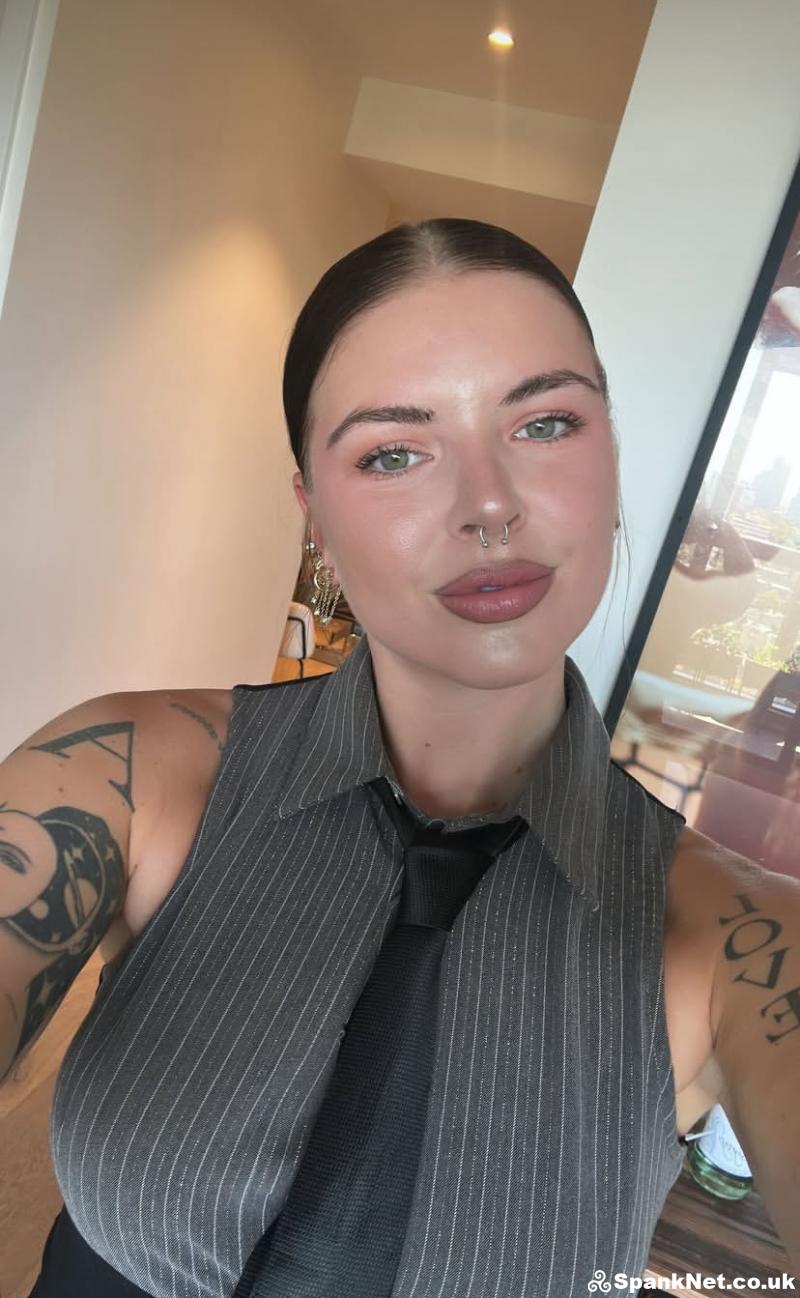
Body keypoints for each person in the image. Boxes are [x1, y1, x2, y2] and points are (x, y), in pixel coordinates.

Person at [2, 218, 798, 1297]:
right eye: (391, 451)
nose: (488, 505)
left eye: (545, 422)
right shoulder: (129, 775)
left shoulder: (736, 935)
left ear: (611, 456)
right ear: (314, 518)